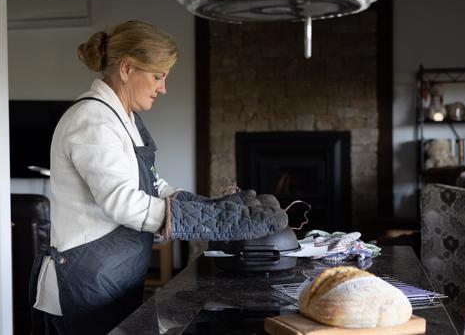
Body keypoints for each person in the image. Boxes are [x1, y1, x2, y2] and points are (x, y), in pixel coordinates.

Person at [29, 20, 287, 334]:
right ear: (126, 69)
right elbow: (122, 202)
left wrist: (210, 207)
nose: (162, 88)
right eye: (158, 76)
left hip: (113, 280)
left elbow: (151, 185)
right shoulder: (91, 120)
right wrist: (206, 222)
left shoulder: (125, 117)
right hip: (80, 291)